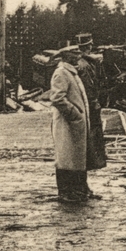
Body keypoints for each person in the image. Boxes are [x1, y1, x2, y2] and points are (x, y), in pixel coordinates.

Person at [48, 46, 91, 202]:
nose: (78, 57)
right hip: (67, 124)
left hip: (74, 123)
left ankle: (79, 190)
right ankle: (66, 192)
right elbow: (57, 98)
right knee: (66, 158)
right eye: (75, 54)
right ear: (67, 57)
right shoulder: (61, 73)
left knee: (75, 158)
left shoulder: (71, 72)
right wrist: (75, 115)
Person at [74, 47, 107, 199]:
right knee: (86, 147)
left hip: (89, 109)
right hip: (88, 110)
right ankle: (80, 186)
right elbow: (89, 90)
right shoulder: (84, 66)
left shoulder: (84, 64)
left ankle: (82, 186)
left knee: (87, 148)